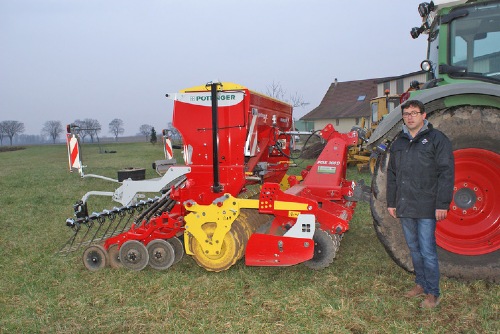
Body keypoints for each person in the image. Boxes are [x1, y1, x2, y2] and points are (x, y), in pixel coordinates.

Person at [386, 100, 454, 308]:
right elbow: (392, 174)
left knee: (427, 250)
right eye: (406, 114)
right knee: (414, 249)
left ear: (424, 116)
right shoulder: (399, 142)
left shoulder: (436, 139)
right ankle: (421, 284)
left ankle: (433, 292)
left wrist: (442, 203)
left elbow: (446, 173)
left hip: (426, 205)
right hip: (405, 205)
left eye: (414, 113)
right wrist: (391, 202)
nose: (410, 117)